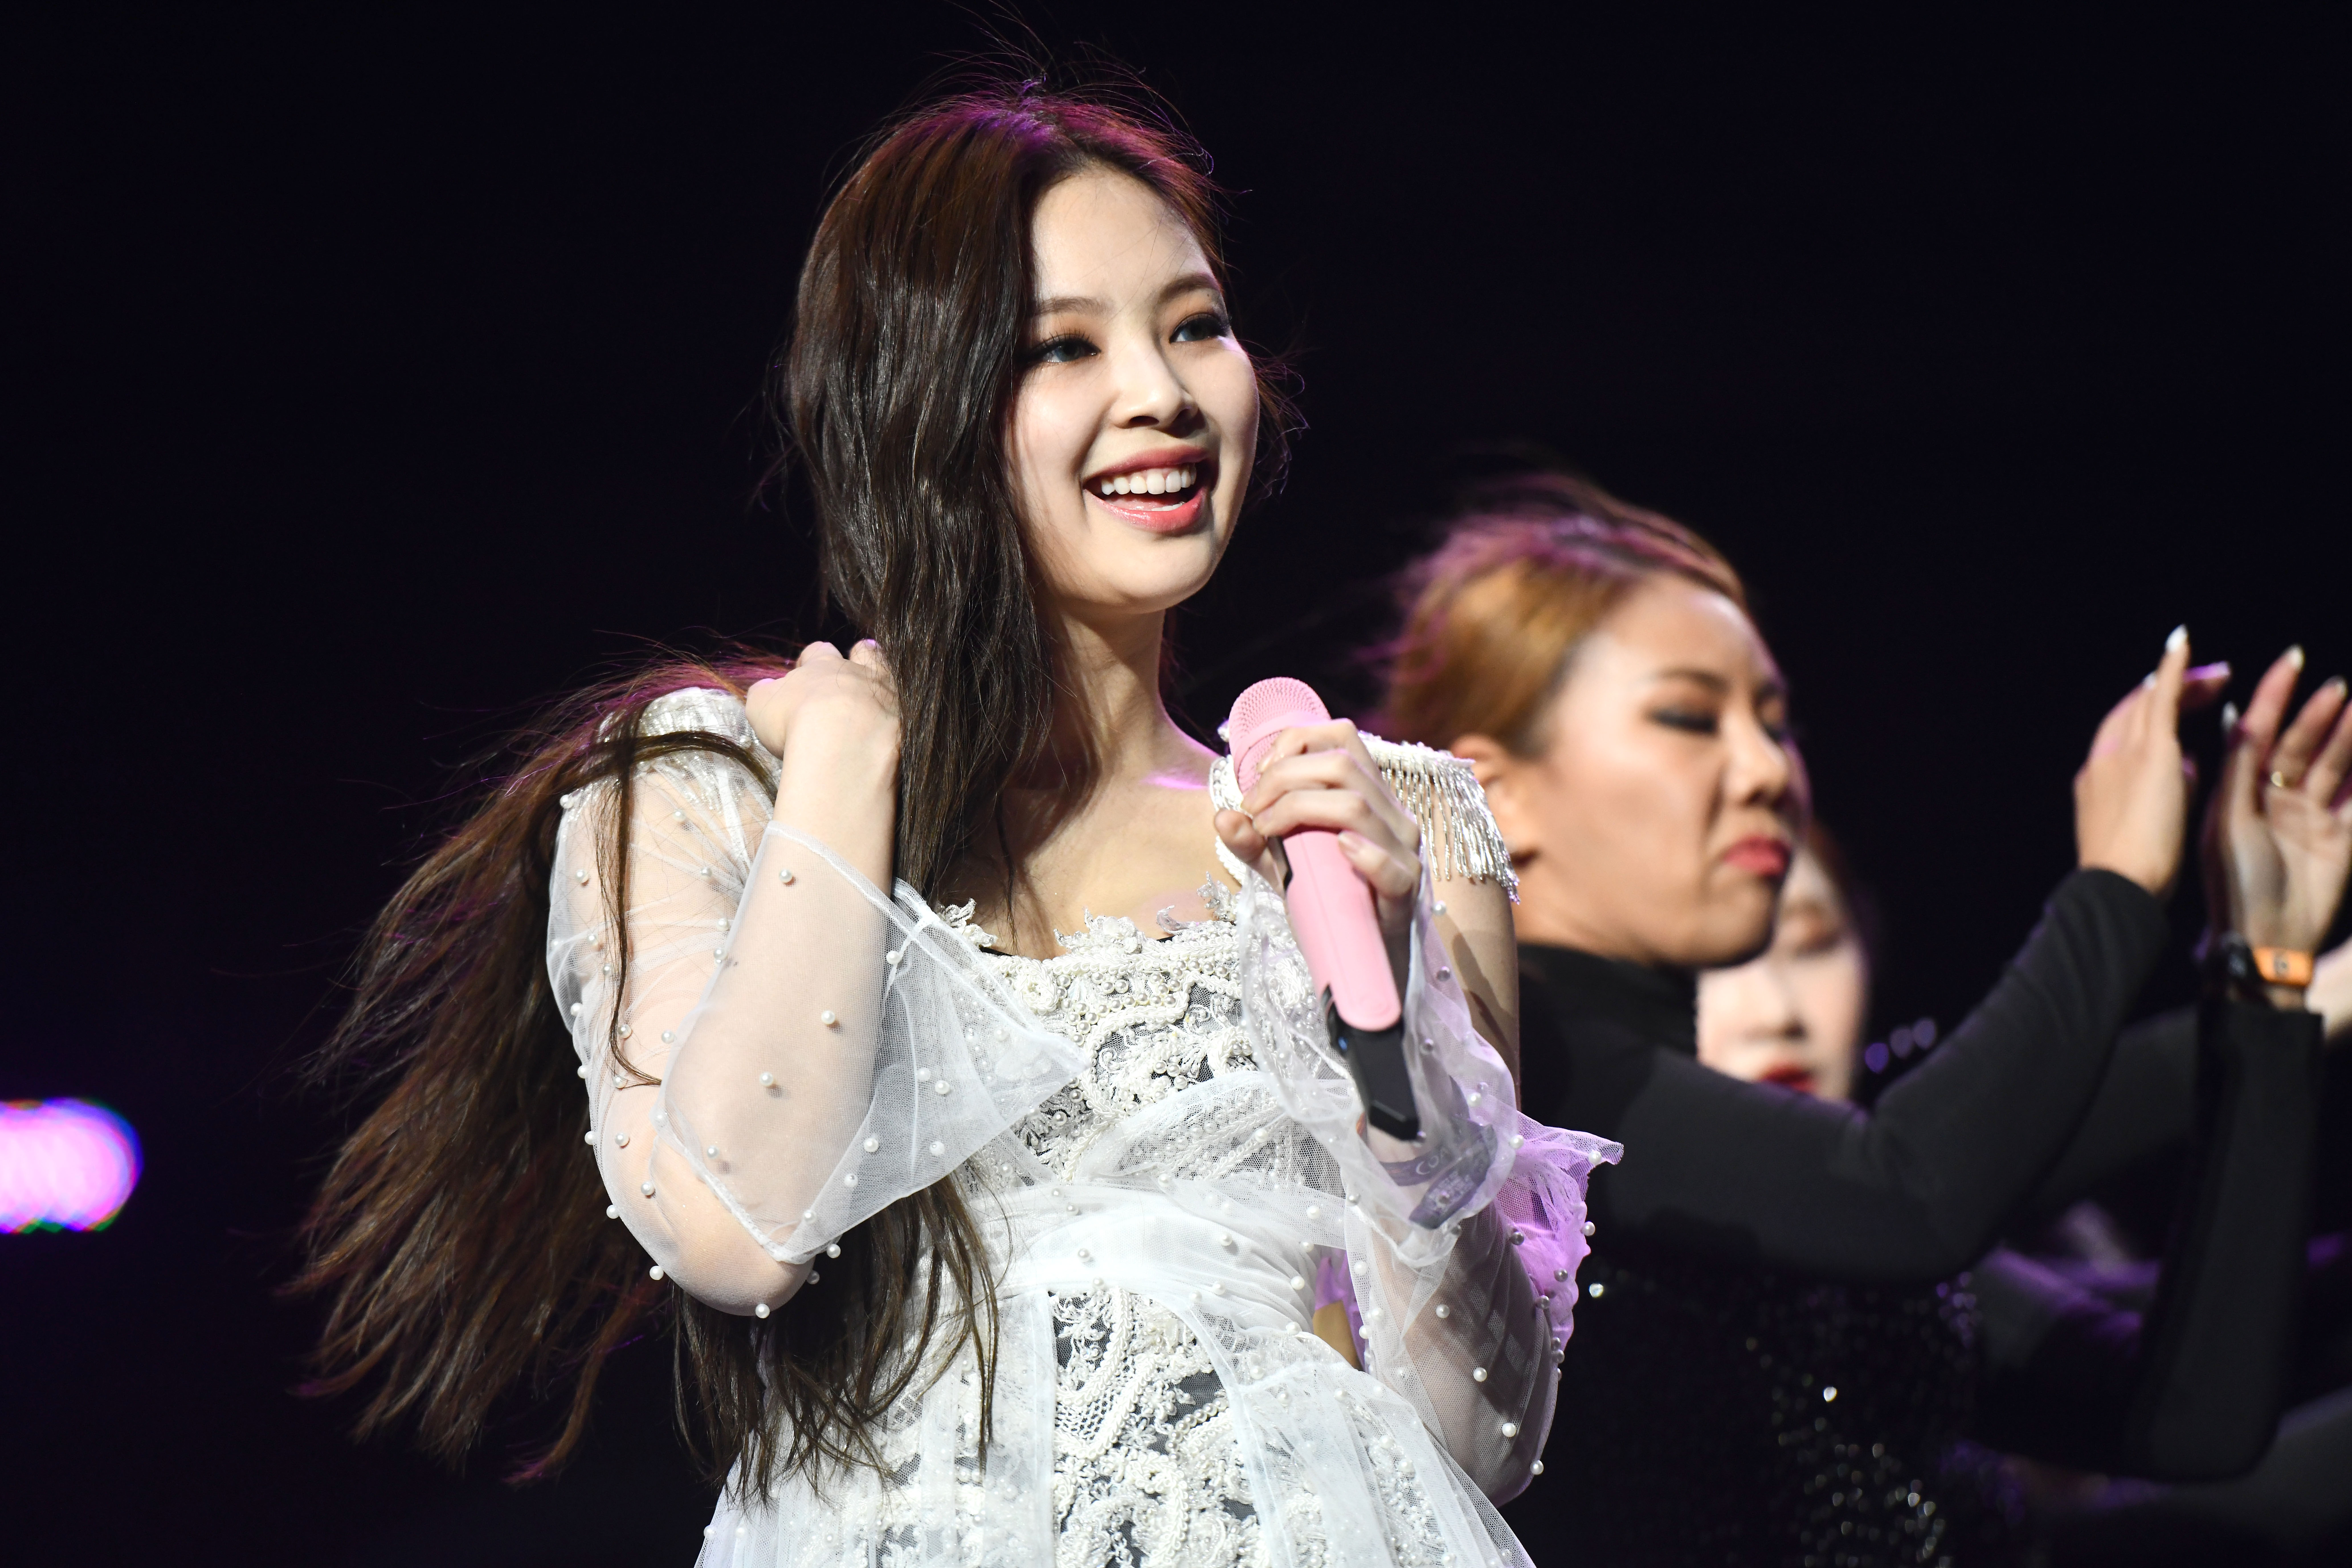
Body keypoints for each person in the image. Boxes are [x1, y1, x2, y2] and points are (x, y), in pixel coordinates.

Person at [296, 80, 1612, 1568]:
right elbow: (738, 1228)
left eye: (1195, 327)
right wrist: (850, 775)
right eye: (1066, 347)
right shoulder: (710, 784)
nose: (1166, 395)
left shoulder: (1389, 822)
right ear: (922, 405)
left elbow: (1476, 1437)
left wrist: (1395, 1028)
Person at [1380, 475, 2351, 1564]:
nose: (1764, 773)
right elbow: (1912, 1188)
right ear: (1494, 793)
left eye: (1776, 724)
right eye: (1690, 718)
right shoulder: (1530, 1081)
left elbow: (2190, 1414)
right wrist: (2117, 883)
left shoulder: (1756, 1159)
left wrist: (2259, 978)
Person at [1698, 833, 2352, 1564]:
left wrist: (2301, 991)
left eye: (1814, 943)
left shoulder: (1892, 1278)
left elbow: (2170, 1367)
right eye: (1716, 959)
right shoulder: (1593, 1245)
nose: (1775, 1009)